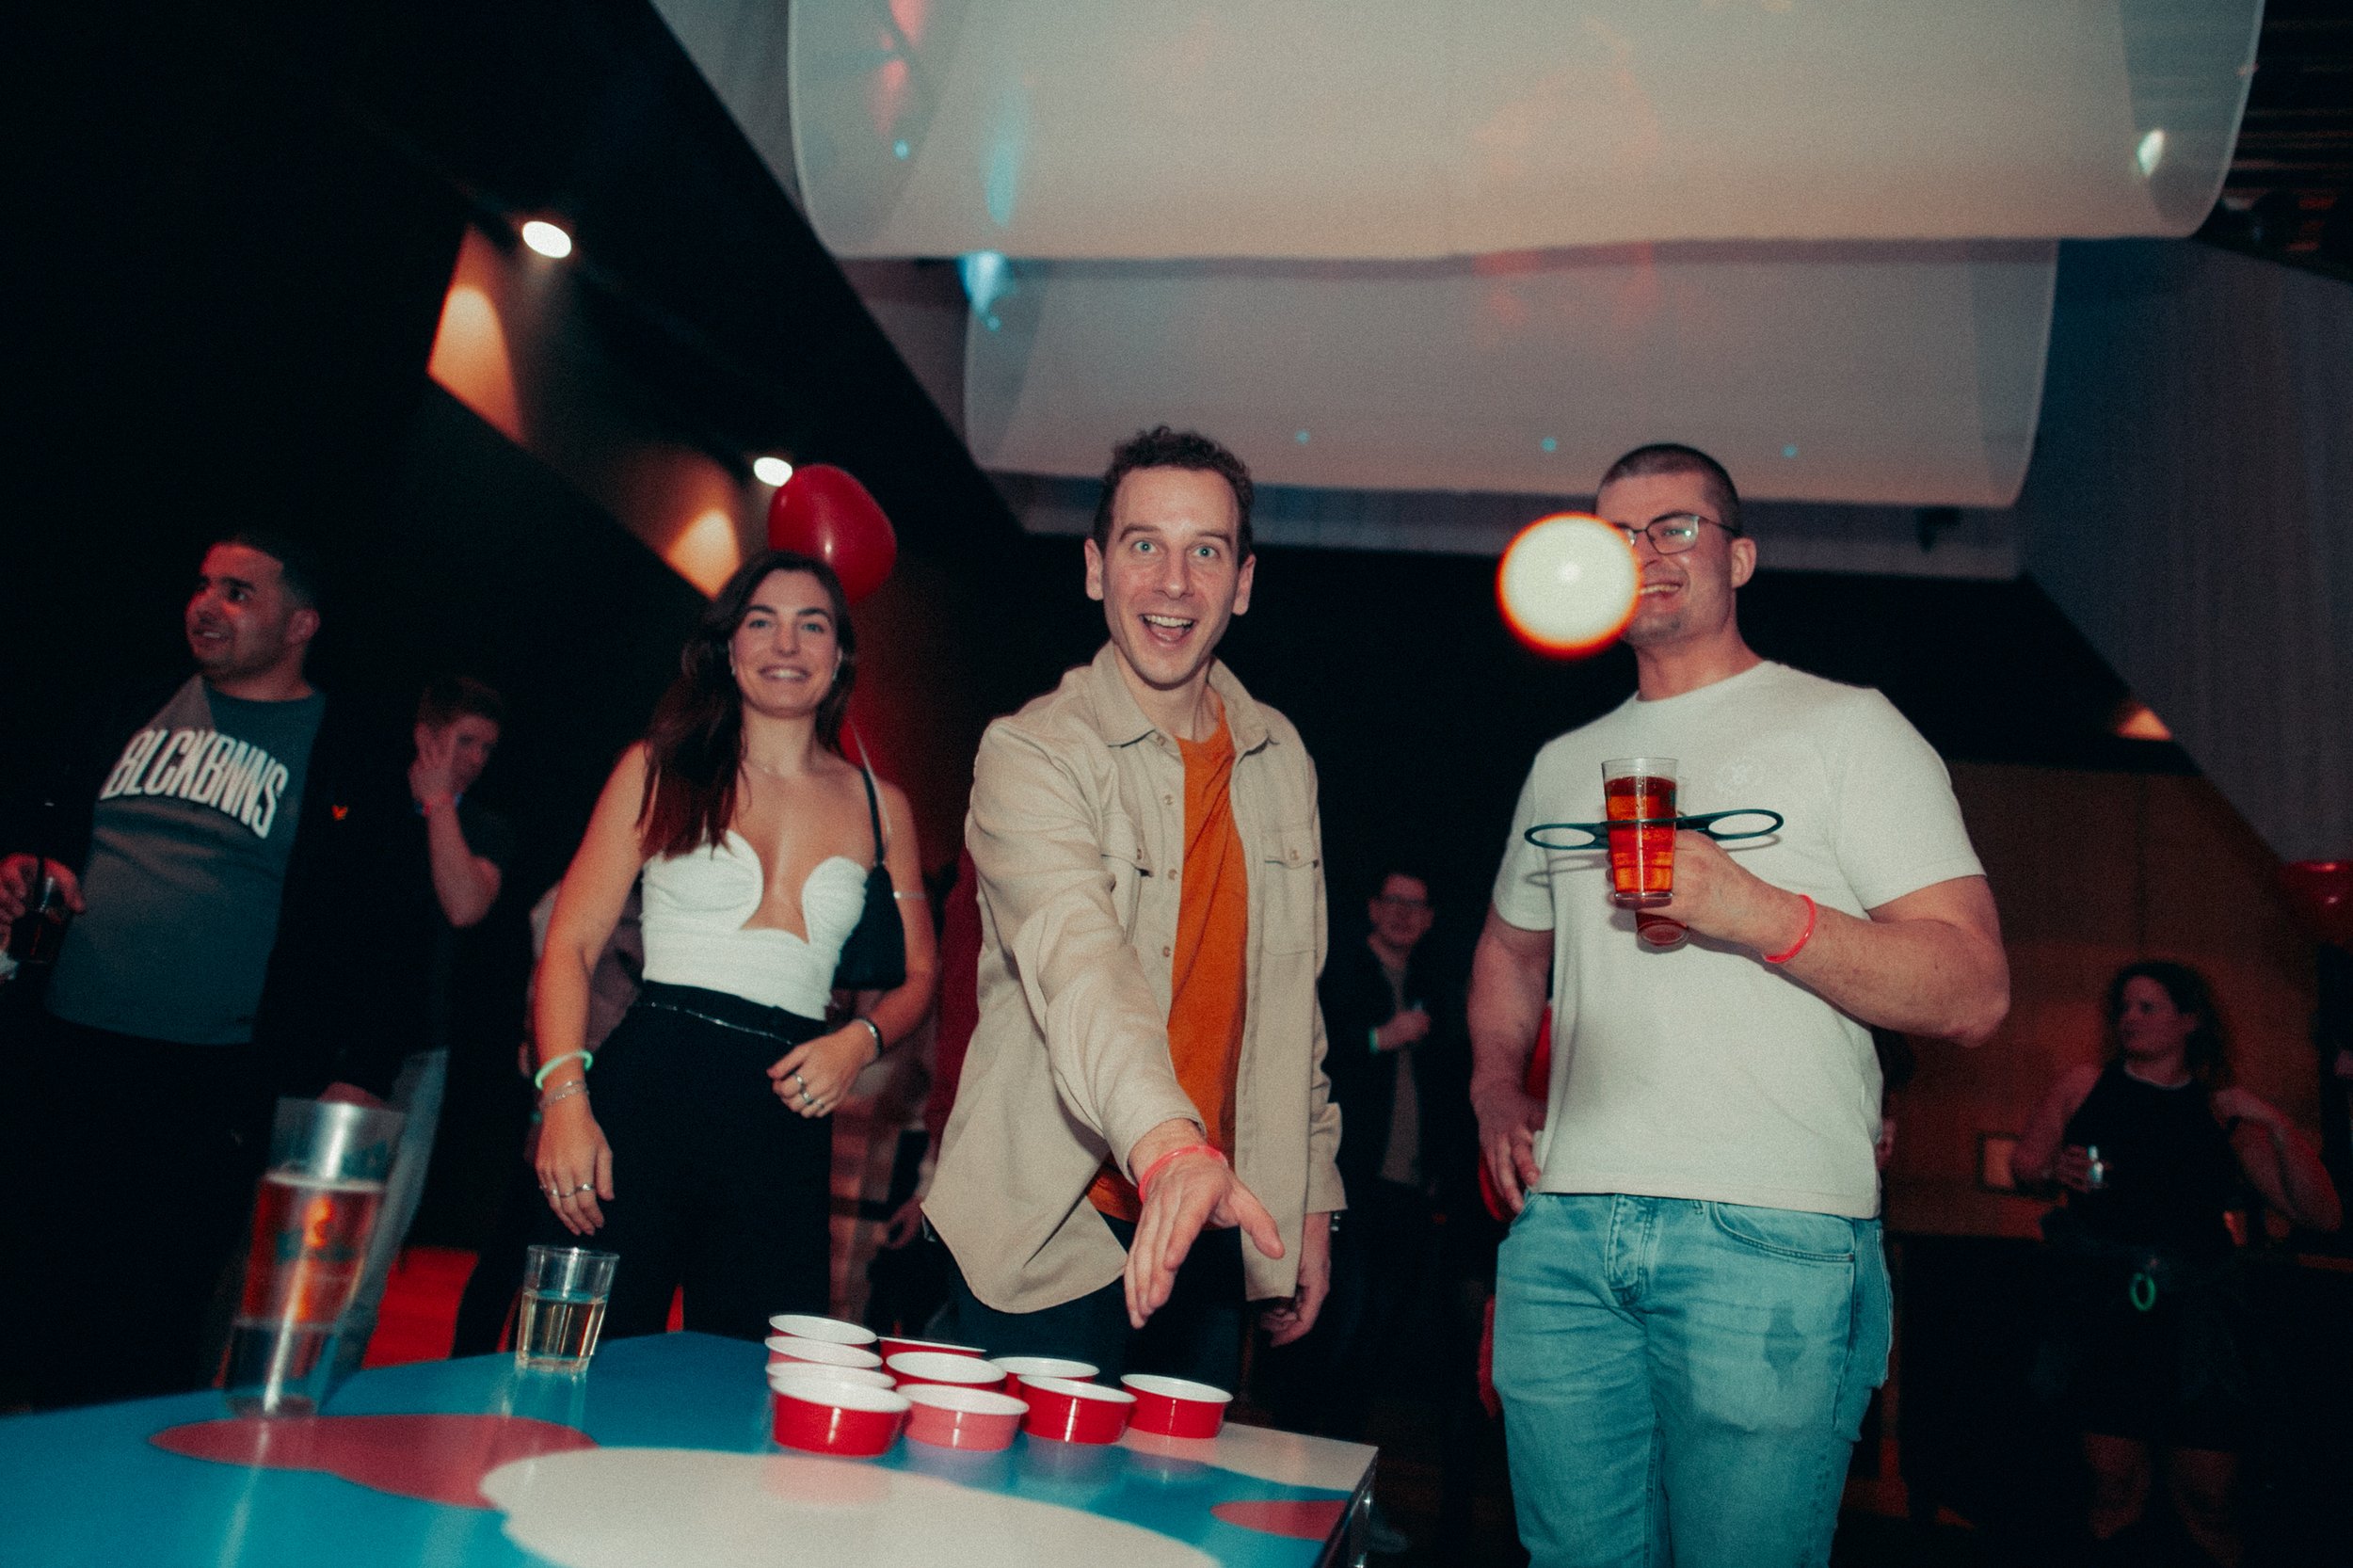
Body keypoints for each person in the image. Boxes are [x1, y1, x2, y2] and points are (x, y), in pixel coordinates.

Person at [1468, 442, 2010, 1568]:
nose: (1644, 554)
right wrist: (1491, 1089)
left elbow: (1972, 988)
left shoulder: (1847, 727)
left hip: (1768, 1234)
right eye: (1616, 535)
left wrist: (1752, 908)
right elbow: (1509, 952)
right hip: (1565, 1233)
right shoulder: (1565, 760)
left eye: (1674, 526)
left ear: (1742, 555)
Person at [925, 425, 1342, 1389]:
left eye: (1207, 551)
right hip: (1049, 1224)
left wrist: (1310, 1196)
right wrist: (1168, 1152)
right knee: (1016, 1488)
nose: (1173, 583)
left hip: (1211, 1229)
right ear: (1094, 567)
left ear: (1242, 582)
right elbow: (1080, 967)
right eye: (1143, 544)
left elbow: (1293, 1002)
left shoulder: (1280, 756)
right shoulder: (1031, 753)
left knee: (1169, 1490)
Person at [0, 532, 416, 1407]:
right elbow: (46, 826)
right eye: (203, 585)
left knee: (145, 1328)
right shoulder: (127, 706)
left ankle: (117, 1486)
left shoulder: (347, 753)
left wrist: (361, 1069)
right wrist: (27, 864)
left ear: (300, 624)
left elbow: (385, 923)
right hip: (64, 1050)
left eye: (238, 592)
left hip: (207, 1083)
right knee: (33, 1299)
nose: (206, 605)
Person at [526, 550, 937, 1341]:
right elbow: (570, 946)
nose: (786, 645)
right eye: (762, 622)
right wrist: (565, 1102)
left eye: (811, 625)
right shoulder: (659, 768)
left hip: (785, 1116)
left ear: (840, 653)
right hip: (645, 1090)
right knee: (580, 1354)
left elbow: (921, 973)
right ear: (728, 647)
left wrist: (859, 1040)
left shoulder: (881, 806)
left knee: (756, 1372)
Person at [2014, 960, 2340, 1566]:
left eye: (2148, 1007)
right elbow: (2026, 1167)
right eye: (2124, 1007)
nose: (2130, 1019)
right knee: (2112, 1483)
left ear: (2190, 1021)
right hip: (2108, 1307)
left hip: (2199, 1319)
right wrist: (2051, 1168)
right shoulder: (2084, 1085)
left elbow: (2322, 1214)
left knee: (2210, 1495)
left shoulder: (2221, 1110)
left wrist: (2275, 1123)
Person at [334, 676, 517, 1370]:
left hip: (420, 1056)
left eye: (487, 748)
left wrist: (440, 803)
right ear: (425, 735)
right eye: (464, 741)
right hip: (328, 1048)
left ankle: (325, 1406)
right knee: (287, 1244)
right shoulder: (363, 802)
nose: (475, 759)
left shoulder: (485, 828)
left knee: (370, 1255)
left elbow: (465, 904)